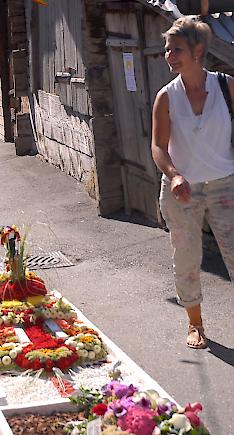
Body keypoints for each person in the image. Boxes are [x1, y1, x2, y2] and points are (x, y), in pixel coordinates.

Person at [152, 16, 234, 349]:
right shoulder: (166, 97)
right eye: (167, 49)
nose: (169, 55)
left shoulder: (226, 86)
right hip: (182, 191)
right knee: (186, 258)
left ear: (198, 50)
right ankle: (195, 324)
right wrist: (174, 175)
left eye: (177, 49)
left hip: (225, 185)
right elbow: (158, 145)